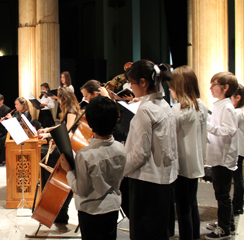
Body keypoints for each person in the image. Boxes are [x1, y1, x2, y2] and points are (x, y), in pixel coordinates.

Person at [123, 59, 178, 240]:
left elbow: (140, 153)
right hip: (164, 180)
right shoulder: (165, 106)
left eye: (132, 83)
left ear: (143, 82)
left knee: (143, 233)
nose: (131, 88)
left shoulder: (146, 110)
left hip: (145, 181)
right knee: (159, 232)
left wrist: (120, 171)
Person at [60, 96, 126, 240]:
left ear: (89, 122)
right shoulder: (121, 149)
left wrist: (69, 171)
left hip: (90, 211)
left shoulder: (84, 155)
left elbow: (80, 189)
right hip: (112, 208)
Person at [167, 66, 208, 240]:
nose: (169, 89)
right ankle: (194, 236)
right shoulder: (202, 105)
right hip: (196, 162)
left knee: (183, 209)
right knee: (192, 205)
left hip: (182, 165)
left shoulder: (178, 110)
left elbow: (169, 138)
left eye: (171, 86)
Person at [37, 87, 81, 224]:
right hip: (65, 145)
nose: (58, 102)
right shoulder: (70, 109)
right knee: (43, 155)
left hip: (68, 149)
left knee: (45, 159)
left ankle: (55, 207)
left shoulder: (72, 111)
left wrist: (51, 137)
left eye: (58, 99)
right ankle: (50, 205)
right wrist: (48, 130)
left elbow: (67, 132)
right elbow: (61, 127)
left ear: (64, 99)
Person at [204, 72, 239, 239]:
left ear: (226, 88)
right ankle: (228, 223)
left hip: (224, 157)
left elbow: (230, 130)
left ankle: (224, 228)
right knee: (221, 193)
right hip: (218, 153)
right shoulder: (220, 104)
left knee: (223, 194)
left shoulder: (226, 106)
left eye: (214, 84)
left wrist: (208, 126)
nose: (211, 88)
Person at [231, 83, 244, 216]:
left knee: (237, 178)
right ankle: (239, 204)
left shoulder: (239, 112)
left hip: (237, 149)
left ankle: (237, 205)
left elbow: (229, 126)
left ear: (238, 97)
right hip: (240, 148)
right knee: (238, 178)